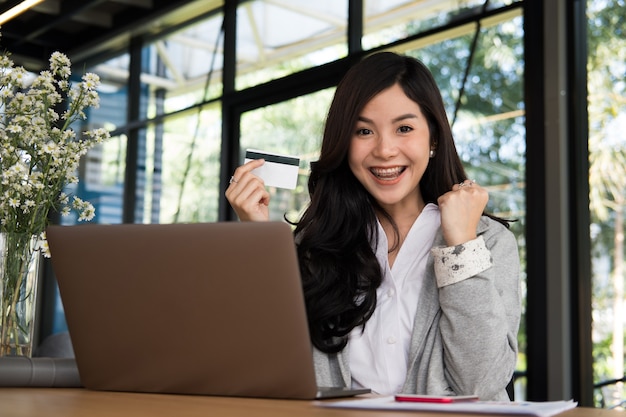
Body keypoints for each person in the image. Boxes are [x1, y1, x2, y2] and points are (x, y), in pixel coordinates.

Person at [225, 51, 521, 401]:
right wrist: (259, 241)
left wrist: (460, 244)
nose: (384, 150)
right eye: (364, 130)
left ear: (434, 140)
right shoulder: (314, 243)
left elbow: (481, 383)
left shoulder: (487, 241)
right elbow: (271, 368)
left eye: (404, 128)